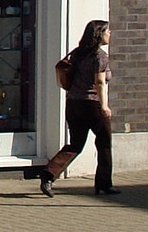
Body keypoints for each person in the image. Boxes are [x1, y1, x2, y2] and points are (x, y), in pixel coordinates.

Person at [40, 20, 118, 198]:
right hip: (93, 104)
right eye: (107, 31)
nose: (110, 34)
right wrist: (104, 106)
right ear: (99, 35)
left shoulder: (77, 54)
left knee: (75, 143)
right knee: (104, 143)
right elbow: (99, 82)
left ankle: (48, 175)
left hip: (74, 103)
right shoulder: (100, 56)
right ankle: (104, 183)